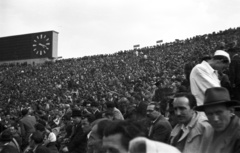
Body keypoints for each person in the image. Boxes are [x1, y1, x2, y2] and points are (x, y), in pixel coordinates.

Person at [195, 87, 240, 153]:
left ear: (231, 111)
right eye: (210, 114)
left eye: (219, 113)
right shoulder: (209, 131)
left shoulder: (237, 133)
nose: (215, 119)